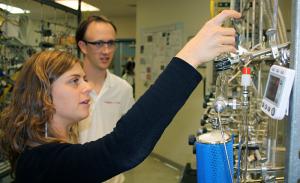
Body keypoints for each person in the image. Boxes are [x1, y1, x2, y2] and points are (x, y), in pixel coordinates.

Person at [0, 10, 241, 183]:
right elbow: (123, 147)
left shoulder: (45, 150)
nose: (86, 88)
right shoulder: (42, 162)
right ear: (44, 94)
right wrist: (190, 57)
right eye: (74, 81)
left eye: (83, 79)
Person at [75, 15, 135, 183]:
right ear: (83, 46)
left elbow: (129, 134)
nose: (106, 50)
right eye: (99, 43)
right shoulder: (67, 88)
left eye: (110, 43)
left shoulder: (123, 89)